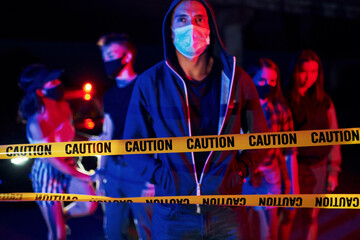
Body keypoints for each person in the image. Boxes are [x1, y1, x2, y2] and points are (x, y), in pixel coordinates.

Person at [123, 0, 269, 239]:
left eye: (199, 18)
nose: (191, 25)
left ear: (210, 28)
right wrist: (162, 177)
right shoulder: (150, 83)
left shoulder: (236, 80)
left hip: (228, 212)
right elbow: (132, 145)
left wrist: (240, 171)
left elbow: (261, 138)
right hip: (173, 213)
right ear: (170, 32)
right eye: (182, 19)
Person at [18, 64, 98, 240]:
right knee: (58, 234)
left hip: (69, 163)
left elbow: (69, 136)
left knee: (89, 205)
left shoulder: (63, 106)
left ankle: (60, 218)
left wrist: (93, 141)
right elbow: (51, 159)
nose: (58, 83)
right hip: (47, 173)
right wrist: (85, 176)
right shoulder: (35, 122)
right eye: (51, 82)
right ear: (40, 91)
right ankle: (57, 223)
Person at [91, 33, 153, 240]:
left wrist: (153, 178)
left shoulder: (146, 87)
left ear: (126, 56)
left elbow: (157, 132)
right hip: (114, 171)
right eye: (104, 57)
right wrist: (101, 172)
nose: (107, 61)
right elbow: (107, 135)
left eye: (111, 55)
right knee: (113, 232)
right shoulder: (109, 95)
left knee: (148, 231)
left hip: (141, 171)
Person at [285, 49, 341, 240]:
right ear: (295, 71)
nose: (308, 77)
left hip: (317, 168)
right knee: (288, 216)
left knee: (311, 217)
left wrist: (333, 171)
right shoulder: (285, 100)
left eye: (313, 72)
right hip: (292, 167)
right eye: (303, 71)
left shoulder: (324, 101)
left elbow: (333, 136)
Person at [243, 58, 299, 240]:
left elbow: (289, 153)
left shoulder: (280, 110)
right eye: (262, 80)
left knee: (269, 232)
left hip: (270, 177)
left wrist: (293, 189)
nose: (267, 85)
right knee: (242, 230)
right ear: (251, 79)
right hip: (244, 176)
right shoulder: (239, 109)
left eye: (272, 81)